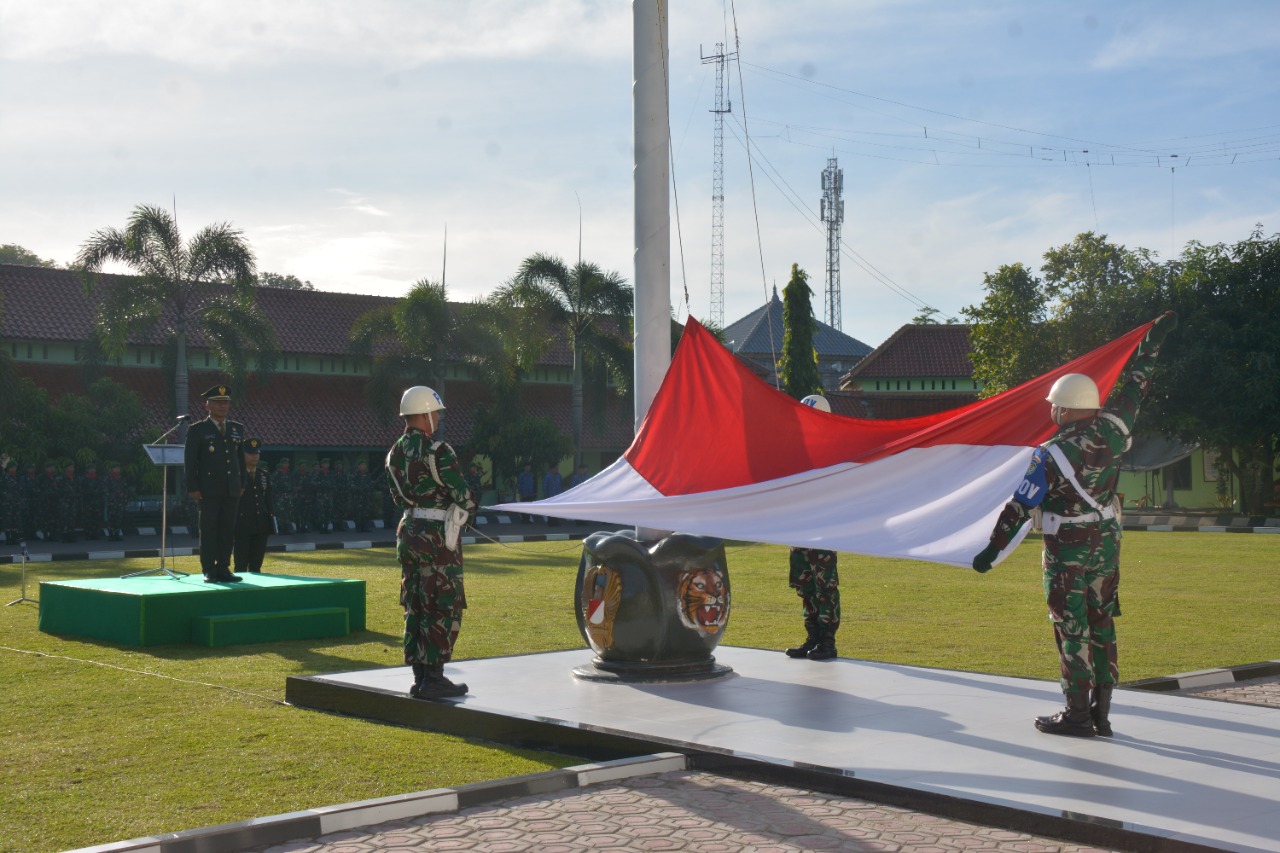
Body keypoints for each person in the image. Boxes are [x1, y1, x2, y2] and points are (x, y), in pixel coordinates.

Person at [973, 311, 1177, 738]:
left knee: (1072, 628)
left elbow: (1019, 506)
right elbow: (1137, 384)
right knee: (1103, 623)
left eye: (1054, 404)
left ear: (1066, 408)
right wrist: (1151, 343)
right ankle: (1102, 714)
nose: (1051, 409)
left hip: (1067, 548)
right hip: (1106, 544)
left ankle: (1077, 715)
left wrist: (992, 550)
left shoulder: (1052, 454)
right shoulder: (1115, 429)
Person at [386, 385, 476, 700]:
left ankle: (420, 677)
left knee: (416, 604)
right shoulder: (438, 451)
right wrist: (468, 508)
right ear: (425, 415)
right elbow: (462, 495)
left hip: (409, 531)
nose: (437, 418)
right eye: (435, 413)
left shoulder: (394, 453)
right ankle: (434, 679)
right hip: (437, 538)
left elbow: (398, 496)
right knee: (441, 605)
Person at [785, 395, 841, 661]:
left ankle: (828, 642)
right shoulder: (796, 449)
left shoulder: (833, 450)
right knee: (804, 586)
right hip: (799, 530)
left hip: (822, 531)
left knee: (825, 588)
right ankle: (812, 637)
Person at [184, 383, 246, 583]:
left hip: (231, 488)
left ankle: (224, 567)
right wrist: (192, 486)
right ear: (207, 405)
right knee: (209, 528)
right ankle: (209, 568)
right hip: (208, 489)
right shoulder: (198, 430)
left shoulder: (237, 428)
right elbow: (190, 460)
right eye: (218, 402)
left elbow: (240, 460)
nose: (222, 406)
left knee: (227, 529)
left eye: (225, 402)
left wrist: (242, 483)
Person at [233, 438, 274, 573]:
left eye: (257, 453)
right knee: (241, 564)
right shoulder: (236, 474)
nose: (254, 457)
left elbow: (268, 500)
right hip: (242, 524)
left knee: (256, 565)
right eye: (250, 453)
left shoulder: (264, 475)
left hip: (261, 524)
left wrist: (271, 522)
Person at [104, 462, 129, 542]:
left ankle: (117, 534)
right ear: (111, 469)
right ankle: (111, 534)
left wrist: (124, 500)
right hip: (112, 502)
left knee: (118, 519)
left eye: (118, 468)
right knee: (111, 519)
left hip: (120, 502)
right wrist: (110, 497)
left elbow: (125, 490)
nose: (117, 469)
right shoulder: (108, 479)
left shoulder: (121, 479)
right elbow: (105, 490)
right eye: (115, 468)